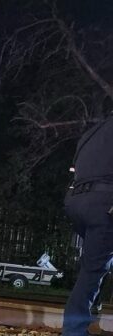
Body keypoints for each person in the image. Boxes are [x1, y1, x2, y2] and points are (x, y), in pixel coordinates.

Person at [63, 114, 113, 335]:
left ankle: (94, 309)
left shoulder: (92, 132)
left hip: (77, 202)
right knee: (94, 269)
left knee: (94, 264)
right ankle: (74, 330)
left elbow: (75, 169)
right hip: (104, 204)